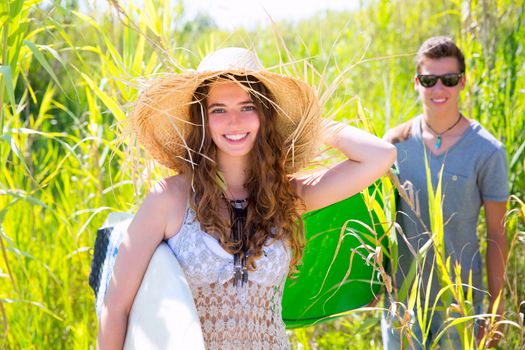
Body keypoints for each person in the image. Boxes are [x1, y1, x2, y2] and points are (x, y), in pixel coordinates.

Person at [96, 47, 396, 349]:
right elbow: (116, 307)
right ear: (202, 119)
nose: (234, 122)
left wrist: (310, 124)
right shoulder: (169, 199)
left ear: (265, 115)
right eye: (219, 110)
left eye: (247, 107)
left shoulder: (287, 196)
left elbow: (379, 156)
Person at [382, 36, 508, 348]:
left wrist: (496, 309)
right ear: (416, 82)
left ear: (463, 82)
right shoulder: (394, 144)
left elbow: (497, 235)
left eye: (449, 80)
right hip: (402, 301)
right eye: (429, 80)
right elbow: (381, 223)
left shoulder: (488, 151)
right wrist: (375, 283)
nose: (439, 90)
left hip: (460, 305)